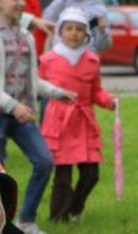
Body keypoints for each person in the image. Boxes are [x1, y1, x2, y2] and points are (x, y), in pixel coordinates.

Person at [0, 0, 76, 234]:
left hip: (23, 115)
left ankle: (26, 220)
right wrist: (13, 106)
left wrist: (56, 92)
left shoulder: (26, 38)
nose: (21, 4)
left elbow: (32, 79)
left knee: (44, 161)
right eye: (15, 0)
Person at [39, 7, 115, 222]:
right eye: (69, 29)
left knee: (91, 174)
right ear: (60, 32)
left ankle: (75, 208)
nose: (74, 33)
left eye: (79, 29)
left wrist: (108, 100)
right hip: (60, 122)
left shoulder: (91, 60)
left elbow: (95, 91)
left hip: (83, 121)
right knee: (62, 177)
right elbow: (38, 86)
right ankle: (58, 216)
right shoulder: (48, 60)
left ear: (86, 34)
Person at [42, 0, 110, 53]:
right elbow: (46, 20)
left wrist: (102, 32)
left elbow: (102, 46)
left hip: (86, 59)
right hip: (60, 57)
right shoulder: (61, 3)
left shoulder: (98, 9)